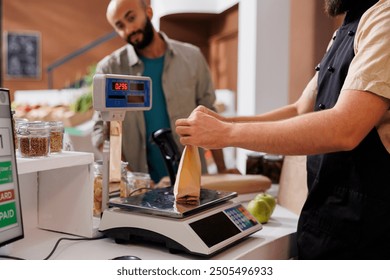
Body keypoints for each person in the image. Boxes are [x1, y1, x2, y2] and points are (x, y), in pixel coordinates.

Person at [176, 0, 390, 259]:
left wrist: (226, 134)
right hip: (326, 219)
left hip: (369, 229)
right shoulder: (343, 32)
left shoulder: (384, 19)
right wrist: (223, 123)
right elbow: (300, 109)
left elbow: (345, 128)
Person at [91, 0, 238, 184]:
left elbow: (209, 114)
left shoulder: (192, 58)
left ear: (149, 12)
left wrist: (222, 170)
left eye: (131, 18)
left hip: (194, 181)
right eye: (120, 25)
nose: (129, 29)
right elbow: (101, 132)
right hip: (142, 189)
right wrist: (130, 178)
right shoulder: (110, 68)